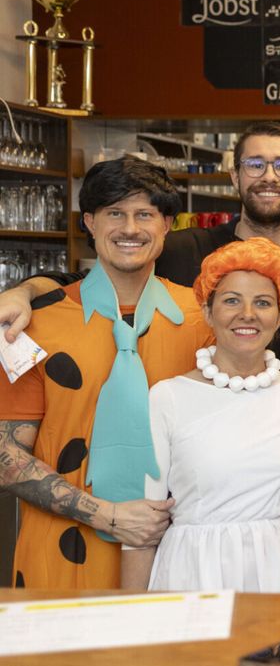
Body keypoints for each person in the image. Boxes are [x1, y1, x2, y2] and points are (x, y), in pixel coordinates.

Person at [0, 157, 211, 589]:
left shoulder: (205, 319)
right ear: (90, 223)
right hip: (60, 555)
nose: (130, 228)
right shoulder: (32, 324)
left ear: (167, 224)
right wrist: (108, 515)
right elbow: (5, 458)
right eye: (115, 213)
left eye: (144, 214)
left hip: (178, 550)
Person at [0, 121, 280, 364]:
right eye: (255, 165)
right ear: (235, 176)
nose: (269, 177)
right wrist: (23, 292)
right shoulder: (181, 249)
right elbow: (89, 283)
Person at [121, 239, 280, 593]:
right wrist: (130, 618)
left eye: (263, 303)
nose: (248, 314)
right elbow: (143, 526)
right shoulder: (167, 397)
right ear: (208, 312)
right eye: (231, 300)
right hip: (193, 573)